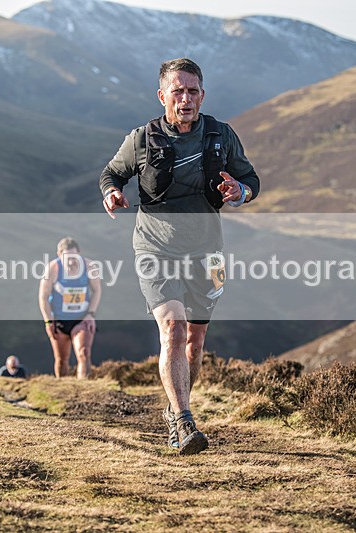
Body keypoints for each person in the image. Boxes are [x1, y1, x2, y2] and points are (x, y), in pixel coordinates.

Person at [99, 58, 260, 455]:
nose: (185, 99)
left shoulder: (221, 135)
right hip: (155, 247)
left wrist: (241, 192)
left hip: (208, 251)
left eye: (192, 91)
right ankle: (184, 420)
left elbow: (251, 180)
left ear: (202, 95)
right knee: (172, 327)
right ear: (162, 96)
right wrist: (112, 193)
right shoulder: (141, 139)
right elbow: (112, 173)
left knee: (195, 339)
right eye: (177, 91)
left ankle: (175, 409)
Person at [39, 237, 101, 379]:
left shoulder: (89, 266)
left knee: (84, 353)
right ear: (59, 255)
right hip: (59, 321)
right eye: (67, 257)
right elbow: (43, 297)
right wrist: (48, 321)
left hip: (81, 319)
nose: (72, 261)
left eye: (74, 257)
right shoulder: (53, 269)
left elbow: (97, 290)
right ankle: (63, 391)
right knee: (62, 360)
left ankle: (84, 390)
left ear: (79, 253)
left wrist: (91, 314)